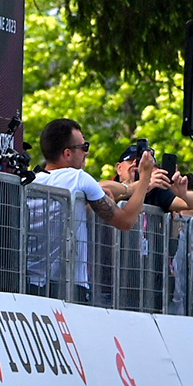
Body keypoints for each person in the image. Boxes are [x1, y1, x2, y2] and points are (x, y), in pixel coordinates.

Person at [26, 119, 156, 303]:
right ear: (68, 153)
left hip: (30, 284)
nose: (87, 152)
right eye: (83, 146)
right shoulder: (77, 178)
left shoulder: (33, 181)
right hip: (69, 288)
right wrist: (145, 178)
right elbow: (126, 221)